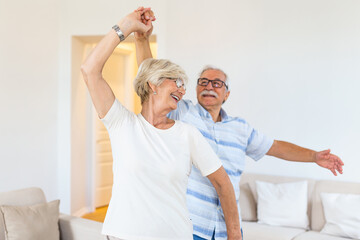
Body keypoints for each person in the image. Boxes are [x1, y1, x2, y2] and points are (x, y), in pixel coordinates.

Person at [134, 7, 345, 240]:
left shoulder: (241, 128)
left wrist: (314, 156)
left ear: (227, 94)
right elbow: (153, 80)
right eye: (203, 82)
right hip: (190, 226)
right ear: (195, 88)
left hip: (228, 229)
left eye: (216, 83)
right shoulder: (182, 113)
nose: (208, 87)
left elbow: (276, 147)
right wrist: (142, 38)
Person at [81, 9, 242, 240]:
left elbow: (223, 183)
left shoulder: (188, 134)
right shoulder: (122, 124)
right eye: (176, 82)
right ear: (153, 85)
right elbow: (90, 70)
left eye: (184, 85)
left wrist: (234, 235)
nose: (183, 90)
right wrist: (126, 26)